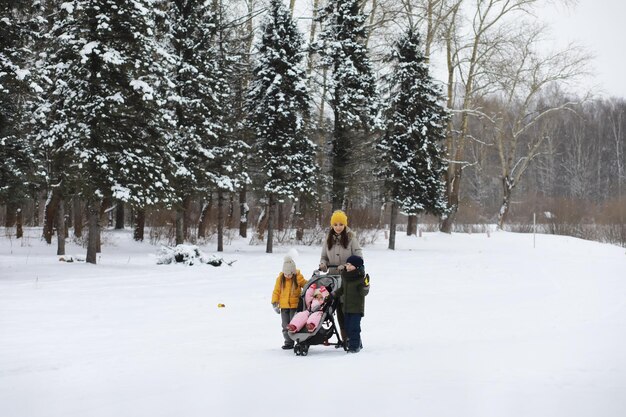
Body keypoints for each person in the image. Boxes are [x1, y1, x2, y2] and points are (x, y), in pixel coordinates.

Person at [319, 210, 363, 340]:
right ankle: (344, 338)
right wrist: (323, 263)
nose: (338, 227)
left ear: (345, 225)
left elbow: (359, 257)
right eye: (335, 224)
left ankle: (352, 338)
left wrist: (346, 266)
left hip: (348, 279)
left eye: (341, 224)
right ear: (332, 225)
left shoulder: (351, 238)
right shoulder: (328, 239)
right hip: (332, 279)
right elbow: (323, 256)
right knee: (336, 309)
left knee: (346, 309)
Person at [331, 255, 369, 353]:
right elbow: (342, 289)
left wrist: (366, 286)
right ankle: (358, 342)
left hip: (356, 308)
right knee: (347, 327)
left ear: (356, 267)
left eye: (350, 265)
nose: (347, 267)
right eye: (347, 264)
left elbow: (363, 293)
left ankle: (354, 347)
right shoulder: (345, 276)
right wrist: (333, 294)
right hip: (346, 308)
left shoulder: (360, 278)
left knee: (354, 328)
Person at [271, 255, 308, 349]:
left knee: (294, 324)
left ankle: (299, 341)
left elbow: (306, 285)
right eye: (285, 274)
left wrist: (312, 286)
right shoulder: (280, 279)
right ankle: (288, 342)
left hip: (295, 306)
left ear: (293, 272)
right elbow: (276, 291)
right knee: (285, 325)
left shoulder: (298, 277)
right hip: (283, 306)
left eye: (289, 274)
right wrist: (275, 303)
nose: (287, 276)